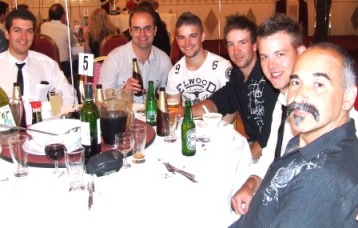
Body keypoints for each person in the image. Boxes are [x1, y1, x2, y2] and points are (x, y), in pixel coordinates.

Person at [230, 42, 358, 227]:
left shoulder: (319, 182)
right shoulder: (307, 140)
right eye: (296, 82)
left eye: (318, 84)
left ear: (348, 97)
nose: (299, 96)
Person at [230, 13, 306, 214]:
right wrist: (251, 183)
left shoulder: (321, 107)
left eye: (280, 54)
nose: (271, 65)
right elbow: (271, 156)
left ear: (301, 53)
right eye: (265, 57)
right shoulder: (281, 102)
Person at [189, 14, 279, 159]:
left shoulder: (269, 78)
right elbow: (219, 101)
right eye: (231, 44)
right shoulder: (237, 75)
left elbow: (267, 139)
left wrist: (241, 163)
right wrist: (184, 112)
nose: (236, 51)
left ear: (255, 45)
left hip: (272, 154)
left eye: (242, 43)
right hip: (252, 145)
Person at [0, 9, 76, 107]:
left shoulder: (47, 64)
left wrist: (61, 115)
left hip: (42, 121)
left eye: (29, 31)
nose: (24, 37)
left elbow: (67, 92)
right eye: (17, 31)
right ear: (7, 33)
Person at [98, 7, 172, 104]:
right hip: (123, 116)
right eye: (137, 29)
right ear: (130, 31)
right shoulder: (114, 59)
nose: (142, 34)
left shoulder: (163, 60)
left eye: (147, 28)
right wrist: (124, 92)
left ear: (155, 30)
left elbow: (170, 96)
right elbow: (101, 99)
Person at [165, 12, 232, 105]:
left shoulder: (222, 67)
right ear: (177, 40)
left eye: (192, 36)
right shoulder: (174, 73)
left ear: (202, 37)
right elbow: (173, 111)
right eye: (182, 37)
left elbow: (231, 108)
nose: (187, 43)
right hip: (187, 119)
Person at [41, 3, 78, 78]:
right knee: (78, 62)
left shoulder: (43, 26)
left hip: (45, 64)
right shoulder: (65, 29)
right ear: (62, 15)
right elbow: (74, 44)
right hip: (62, 67)